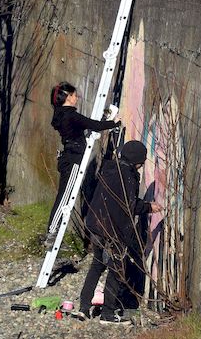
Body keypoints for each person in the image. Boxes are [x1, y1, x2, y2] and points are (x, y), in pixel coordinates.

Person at [75, 140, 162, 324]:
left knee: (97, 266)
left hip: (96, 225)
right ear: (137, 162)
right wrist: (149, 207)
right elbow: (129, 206)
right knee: (117, 270)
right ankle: (107, 314)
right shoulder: (128, 178)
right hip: (111, 230)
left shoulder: (109, 169)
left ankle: (83, 307)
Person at [44, 82, 121, 250]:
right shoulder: (70, 115)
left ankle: (51, 232)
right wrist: (114, 124)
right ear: (68, 97)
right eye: (74, 95)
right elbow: (94, 125)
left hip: (68, 156)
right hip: (73, 160)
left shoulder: (60, 114)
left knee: (63, 195)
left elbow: (84, 128)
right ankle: (51, 234)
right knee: (65, 196)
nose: (77, 98)